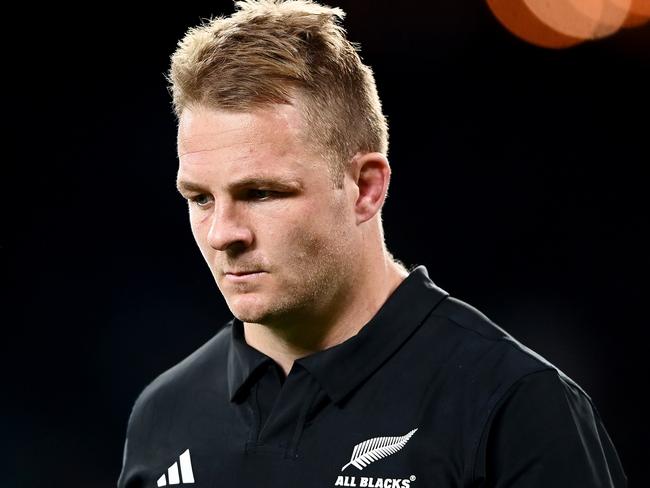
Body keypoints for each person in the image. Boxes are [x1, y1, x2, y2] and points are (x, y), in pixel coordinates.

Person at [118, 1, 627, 486]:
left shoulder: (512, 407)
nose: (223, 232)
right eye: (200, 198)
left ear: (365, 188)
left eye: (261, 192)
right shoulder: (163, 416)